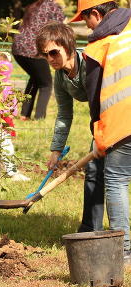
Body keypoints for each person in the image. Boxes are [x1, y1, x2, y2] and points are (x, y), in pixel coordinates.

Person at [70, 0, 131, 262]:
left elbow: (95, 97)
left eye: (86, 20)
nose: (86, 26)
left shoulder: (98, 47)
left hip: (122, 125)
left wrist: (99, 135)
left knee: (116, 182)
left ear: (96, 13)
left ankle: (125, 253)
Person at [35, 22, 105, 233]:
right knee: (94, 171)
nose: (50, 59)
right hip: (101, 122)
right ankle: (90, 229)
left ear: (68, 46)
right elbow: (65, 114)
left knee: (113, 175)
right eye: (45, 55)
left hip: (117, 116)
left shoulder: (90, 62)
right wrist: (56, 151)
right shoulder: (61, 77)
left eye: (54, 53)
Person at [12, 0, 65, 120]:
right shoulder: (51, 6)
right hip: (32, 49)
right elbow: (60, 26)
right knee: (46, 84)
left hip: (18, 47)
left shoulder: (34, 5)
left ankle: (24, 115)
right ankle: (39, 118)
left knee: (36, 78)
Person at [0, 51, 30, 181]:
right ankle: (12, 172)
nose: (9, 66)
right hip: (1, 119)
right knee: (6, 146)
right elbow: (5, 67)